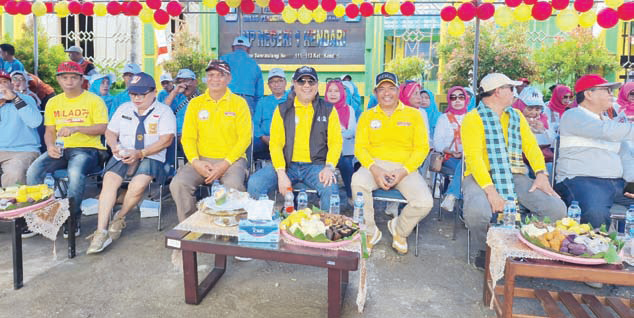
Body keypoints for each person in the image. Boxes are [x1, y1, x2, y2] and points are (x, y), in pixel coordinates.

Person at [461, 73, 566, 267]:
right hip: (480, 176)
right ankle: (486, 249)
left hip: (515, 174)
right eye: (512, 89)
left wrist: (541, 174)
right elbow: (474, 159)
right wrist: (491, 191)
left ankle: (523, 242)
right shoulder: (472, 119)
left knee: (557, 208)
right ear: (498, 92)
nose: (515, 93)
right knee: (477, 211)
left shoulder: (516, 116)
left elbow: (532, 147)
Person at [87, 73, 176, 254]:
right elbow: (110, 132)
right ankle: (101, 231)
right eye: (133, 94)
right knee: (109, 181)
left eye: (142, 94)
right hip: (124, 153)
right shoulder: (124, 108)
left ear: (154, 92)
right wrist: (115, 146)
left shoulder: (164, 111)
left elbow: (166, 140)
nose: (136, 98)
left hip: (151, 155)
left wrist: (141, 153)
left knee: (137, 185)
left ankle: (119, 218)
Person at [351, 72, 433, 255]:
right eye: (381, 89)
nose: (386, 93)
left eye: (391, 88)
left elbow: (421, 148)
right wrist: (375, 169)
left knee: (425, 202)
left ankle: (399, 229)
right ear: (375, 92)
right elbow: (360, 148)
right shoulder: (367, 116)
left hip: (405, 167)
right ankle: (370, 232)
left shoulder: (414, 115)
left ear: (398, 90)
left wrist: (403, 171)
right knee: (357, 182)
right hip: (374, 165)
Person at [26, 61, 108, 237]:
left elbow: (102, 128)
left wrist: (76, 128)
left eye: (73, 77)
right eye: (64, 77)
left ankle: (72, 217)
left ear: (81, 80)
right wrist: (49, 146)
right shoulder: (53, 102)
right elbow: (49, 131)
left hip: (88, 149)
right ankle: (43, 216)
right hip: (61, 149)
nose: (69, 81)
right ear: (59, 80)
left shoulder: (94, 100)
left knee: (74, 173)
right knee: (33, 170)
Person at [247, 66, 342, 210]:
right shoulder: (282, 109)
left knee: (331, 191)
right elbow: (275, 144)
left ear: (317, 85)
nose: (306, 85)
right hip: (287, 164)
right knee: (255, 183)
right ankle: (266, 224)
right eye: (301, 81)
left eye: (311, 82)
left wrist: (329, 167)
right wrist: (281, 172)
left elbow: (336, 142)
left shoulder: (328, 110)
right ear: (294, 85)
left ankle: (325, 230)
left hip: (316, 166)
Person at [169, 60, 252, 222]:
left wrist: (224, 164)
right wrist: (195, 162)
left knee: (234, 187)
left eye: (221, 75)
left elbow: (244, 138)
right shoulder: (195, 104)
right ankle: (192, 227)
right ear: (206, 79)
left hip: (232, 160)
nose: (215, 79)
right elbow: (188, 138)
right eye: (211, 75)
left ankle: (230, 231)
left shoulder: (239, 103)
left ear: (229, 79)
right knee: (178, 184)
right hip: (201, 159)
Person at [554, 74, 634, 229]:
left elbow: (625, 156)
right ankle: (595, 250)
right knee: (595, 212)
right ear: (588, 94)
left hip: (617, 183)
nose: (612, 94)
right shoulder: (573, 115)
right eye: (607, 90)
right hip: (582, 180)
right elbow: (605, 131)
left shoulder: (611, 124)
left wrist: (632, 184)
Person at [0, 70, 42, 187]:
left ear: (11, 85)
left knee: (14, 173)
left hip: (22, 150)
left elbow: (35, 122)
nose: (1, 86)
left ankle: (11, 204)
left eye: (4, 82)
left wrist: (15, 98)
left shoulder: (25, 99)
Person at [436, 86, 469, 212]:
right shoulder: (443, 118)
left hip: (467, 157)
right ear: (449, 100)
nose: (457, 100)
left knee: (466, 163)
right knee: (468, 170)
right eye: (453, 97)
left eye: (461, 97)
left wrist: (463, 153)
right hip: (449, 157)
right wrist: (450, 152)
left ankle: (451, 195)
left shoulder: (471, 118)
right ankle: (464, 207)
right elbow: (438, 142)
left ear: (466, 99)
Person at [325, 79, 356, 201]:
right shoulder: (321, 109)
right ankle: (325, 196)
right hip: (324, 150)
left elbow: (351, 132)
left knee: (346, 164)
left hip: (345, 150)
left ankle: (351, 195)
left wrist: (334, 134)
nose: (333, 94)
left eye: (336, 91)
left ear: (342, 93)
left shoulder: (349, 109)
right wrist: (340, 130)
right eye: (330, 91)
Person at [220, 36, 263, 113]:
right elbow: (259, 94)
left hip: (227, 98)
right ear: (248, 49)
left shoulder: (223, 59)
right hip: (247, 100)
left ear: (233, 48)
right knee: (245, 124)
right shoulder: (255, 65)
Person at [253, 68, 288, 161]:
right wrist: (263, 137)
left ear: (285, 83)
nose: (276, 84)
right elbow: (255, 123)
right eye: (273, 82)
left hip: (287, 140)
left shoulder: (292, 100)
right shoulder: (263, 102)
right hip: (264, 139)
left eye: (280, 81)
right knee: (250, 146)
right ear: (268, 85)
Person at [163, 69, 199, 137]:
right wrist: (174, 92)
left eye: (186, 81)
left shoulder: (201, 98)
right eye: (180, 82)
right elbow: (162, 110)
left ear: (195, 82)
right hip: (175, 136)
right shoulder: (176, 98)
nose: (184, 85)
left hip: (192, 136)